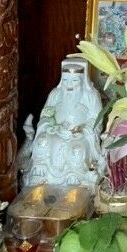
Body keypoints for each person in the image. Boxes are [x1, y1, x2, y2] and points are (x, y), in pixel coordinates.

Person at [25, 58, 105, 188]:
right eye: (66, 80)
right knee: (42, 141)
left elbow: (97, 119)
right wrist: (52, 127)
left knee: (76, 150)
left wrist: (83, 130)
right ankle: (41, 168)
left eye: (74, 81)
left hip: (79, 135)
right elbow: (45, 115)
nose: (69, 85)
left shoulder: (91, 96)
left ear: (82, 80)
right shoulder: (55, 94)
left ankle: (75, 174)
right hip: (55, 132)